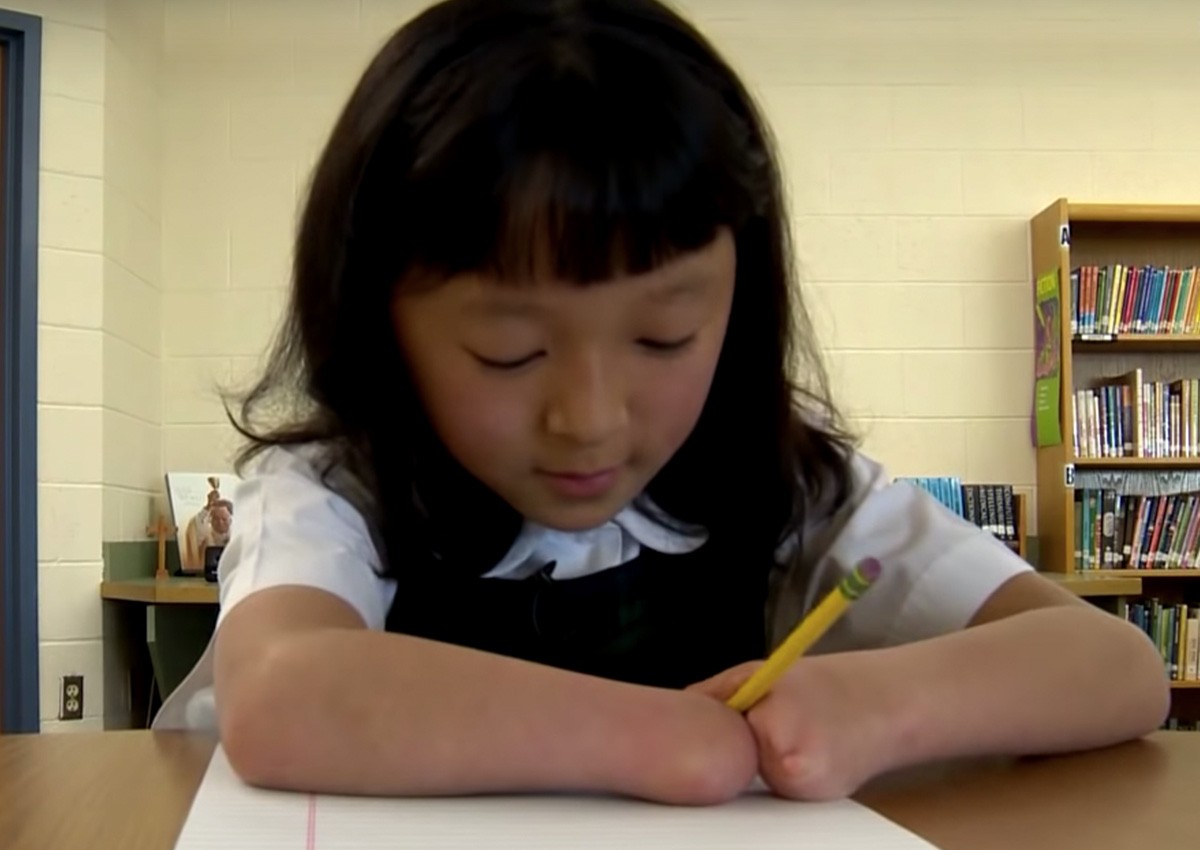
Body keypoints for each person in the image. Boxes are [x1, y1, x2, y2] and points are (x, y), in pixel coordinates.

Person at [154, 0, 1169, 806]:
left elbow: (1115, 666)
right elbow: (286, 693)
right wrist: (664, 739)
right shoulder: (337, 495)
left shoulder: (787, 489)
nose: (589, 417)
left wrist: (873, 706)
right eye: (508, 352)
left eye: (663, 338)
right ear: (375, 321)